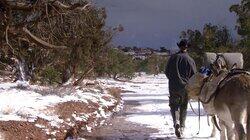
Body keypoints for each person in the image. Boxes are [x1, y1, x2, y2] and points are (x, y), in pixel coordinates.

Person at [165, 39, 197, 138]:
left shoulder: (172, 58)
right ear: (187, 47)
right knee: (184, 107)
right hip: (185, 87)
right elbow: (194, 75)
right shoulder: (190, 60)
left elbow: (166, 72)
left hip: (174, 86)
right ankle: (182, 127)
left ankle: (176, 122)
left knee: (174, 106)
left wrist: (173, 80)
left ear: (179, 47)